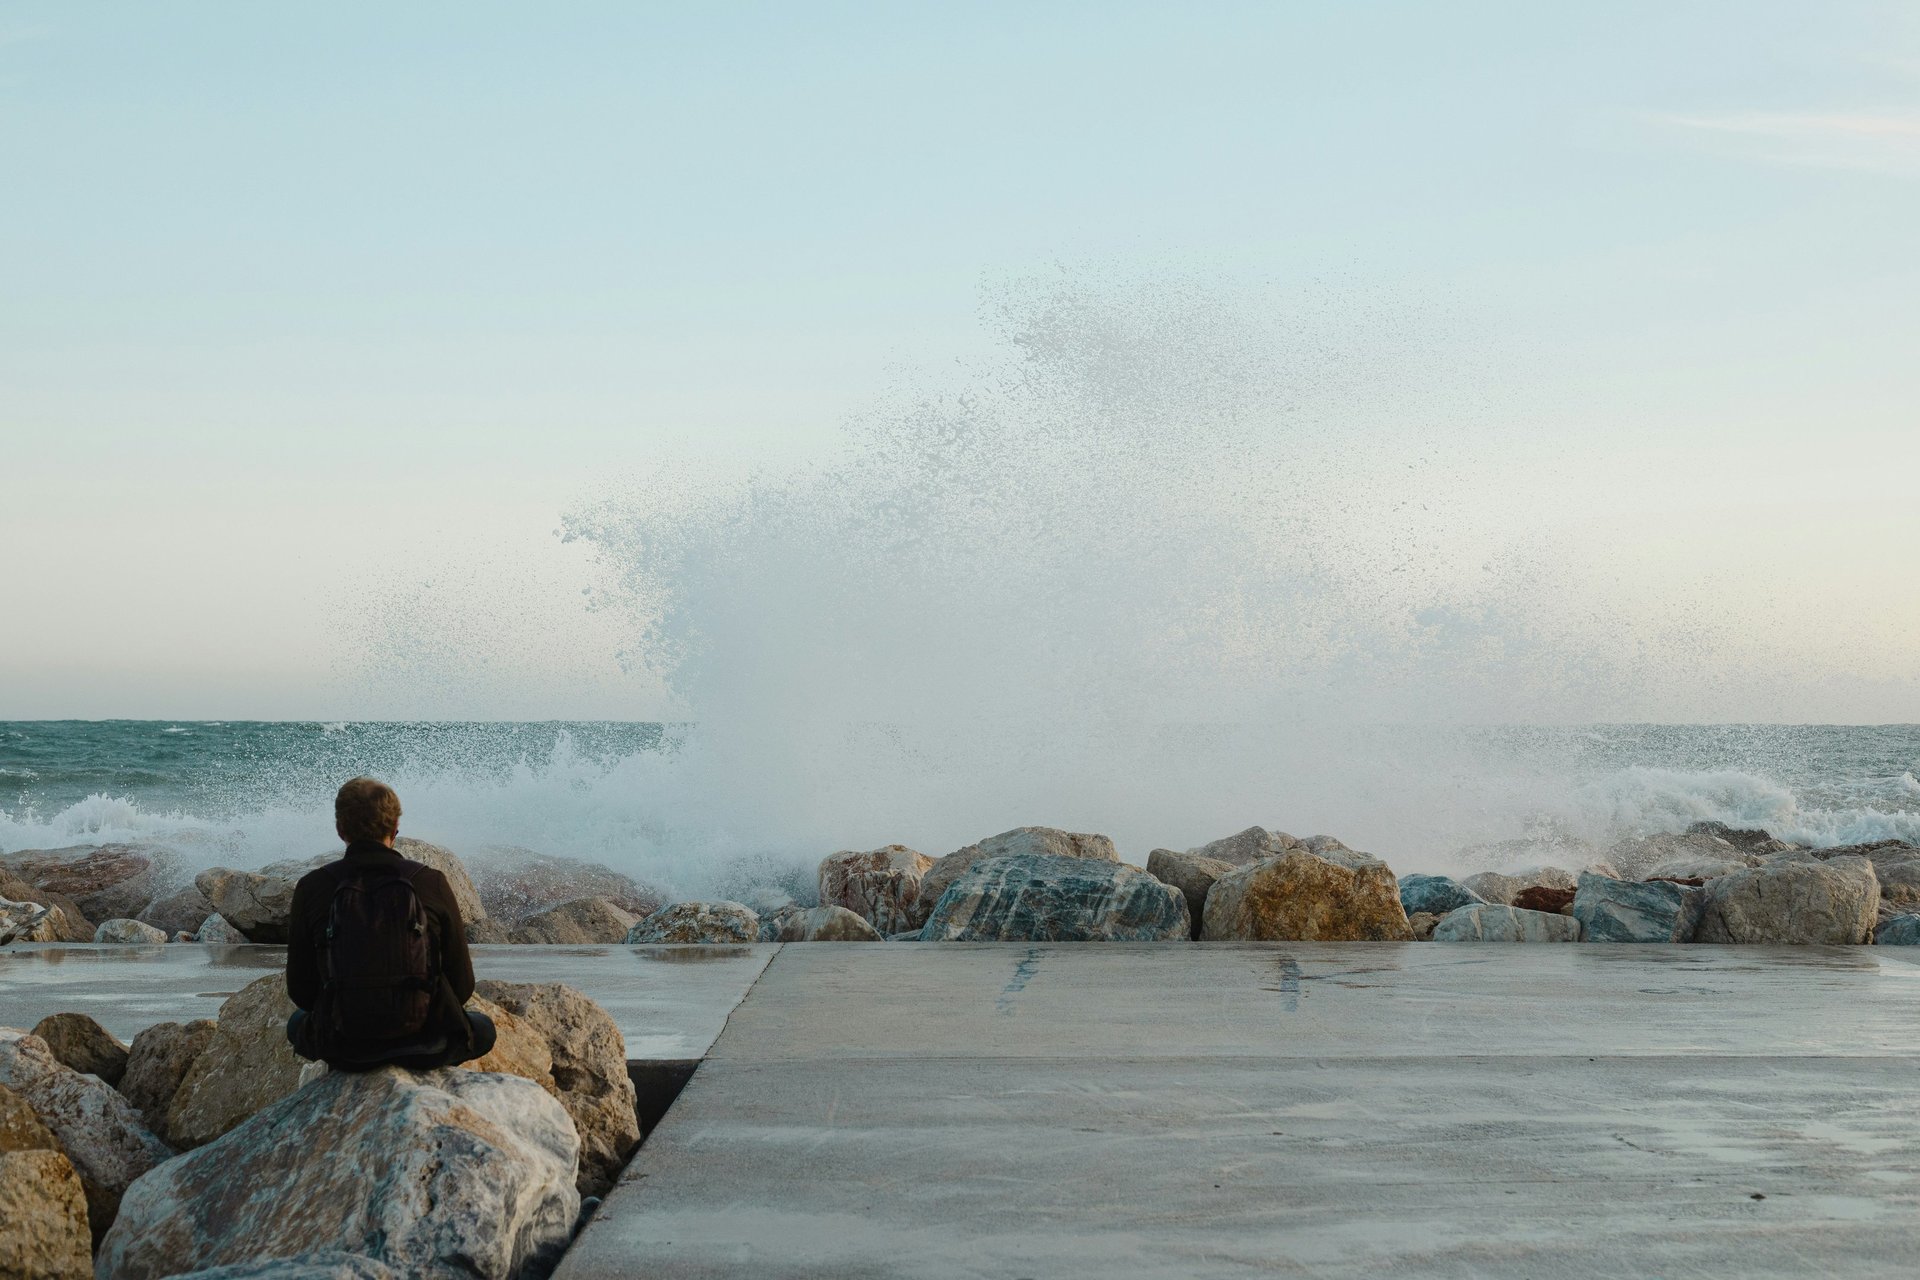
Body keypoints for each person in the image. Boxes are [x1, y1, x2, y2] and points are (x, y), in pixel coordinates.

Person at [284, 776, 496, 1070]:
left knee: (295, 1024)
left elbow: (301, 991)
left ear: (340, 829)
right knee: (484, 1028)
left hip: (344, 1047)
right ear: (395, 828)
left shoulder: (313, 886)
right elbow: (462, 985)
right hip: (424, 1045)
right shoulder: (429, 881)